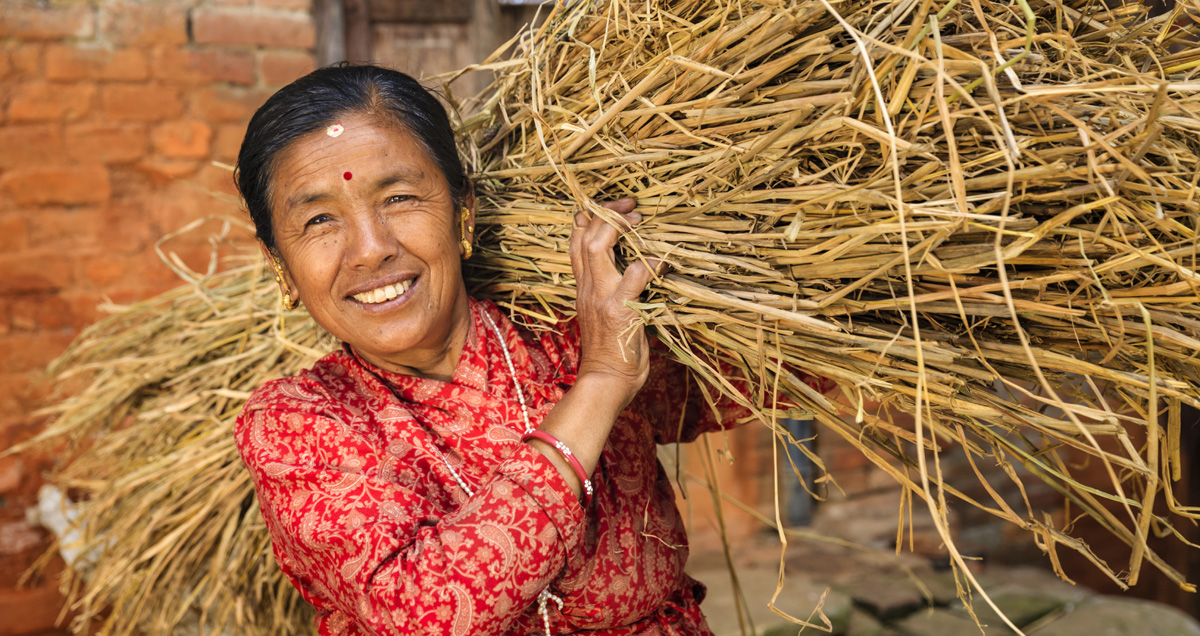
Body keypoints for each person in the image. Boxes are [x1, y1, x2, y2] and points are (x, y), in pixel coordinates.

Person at [234, 64, 828, 636]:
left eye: (398, 198)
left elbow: (772, 370)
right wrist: (598, 385)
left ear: (463, 212)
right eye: (318, 220)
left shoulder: (566, 330)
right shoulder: (295, 425)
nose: (370, 250)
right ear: (281, 267)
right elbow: (423, 612)